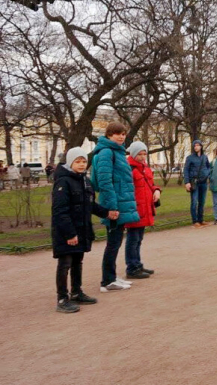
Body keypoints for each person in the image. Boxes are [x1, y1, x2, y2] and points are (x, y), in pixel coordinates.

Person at [51, 147, 118, 313]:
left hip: (82, 229)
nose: (81, 165)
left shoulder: (85, 180)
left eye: (83, 161)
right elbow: (60, 211)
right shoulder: (63, 182)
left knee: (77, 262)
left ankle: (76, 292)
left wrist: (106, 213)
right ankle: (62, 298)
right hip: (66, 231)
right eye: (78, 161)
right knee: (65, 263)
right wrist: (69, 233)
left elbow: (90, 204)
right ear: (70, 162)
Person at [92, 122, 139, 293]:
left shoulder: (117, 152)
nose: (120, 136)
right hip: (114, 205)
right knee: (113, 243)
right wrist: (111, 208)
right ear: (109, 135)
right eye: (117, 134)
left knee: (116, 242)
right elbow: (104, 182)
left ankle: (111, 276)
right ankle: (107, 280)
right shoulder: (106, 152)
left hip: (120, 202)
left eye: (123, 134)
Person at [125, 141, 161, 280]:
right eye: (140, 154)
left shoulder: (144, 167)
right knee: (133, 239)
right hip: (135, 208)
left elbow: (150, 184)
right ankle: (132, 267)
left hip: (145, 207)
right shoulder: (129, 168)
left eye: (144, 153)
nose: (142, 156)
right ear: (133, 154)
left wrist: (156, 190)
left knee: (138, 238)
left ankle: (137, 264)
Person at [184, 140, 211, 227]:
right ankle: (195, 221)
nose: (196, 147)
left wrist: (207, 174)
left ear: (201, 146)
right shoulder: (190, 158)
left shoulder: (205, 157)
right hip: (194, 182)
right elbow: (186, 170)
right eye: (194, 145)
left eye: (197, 145)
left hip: (203, 183)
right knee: (194, 202)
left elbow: (208, 167)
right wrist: (187, 182)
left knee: (202, 202)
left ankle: (201, 219)